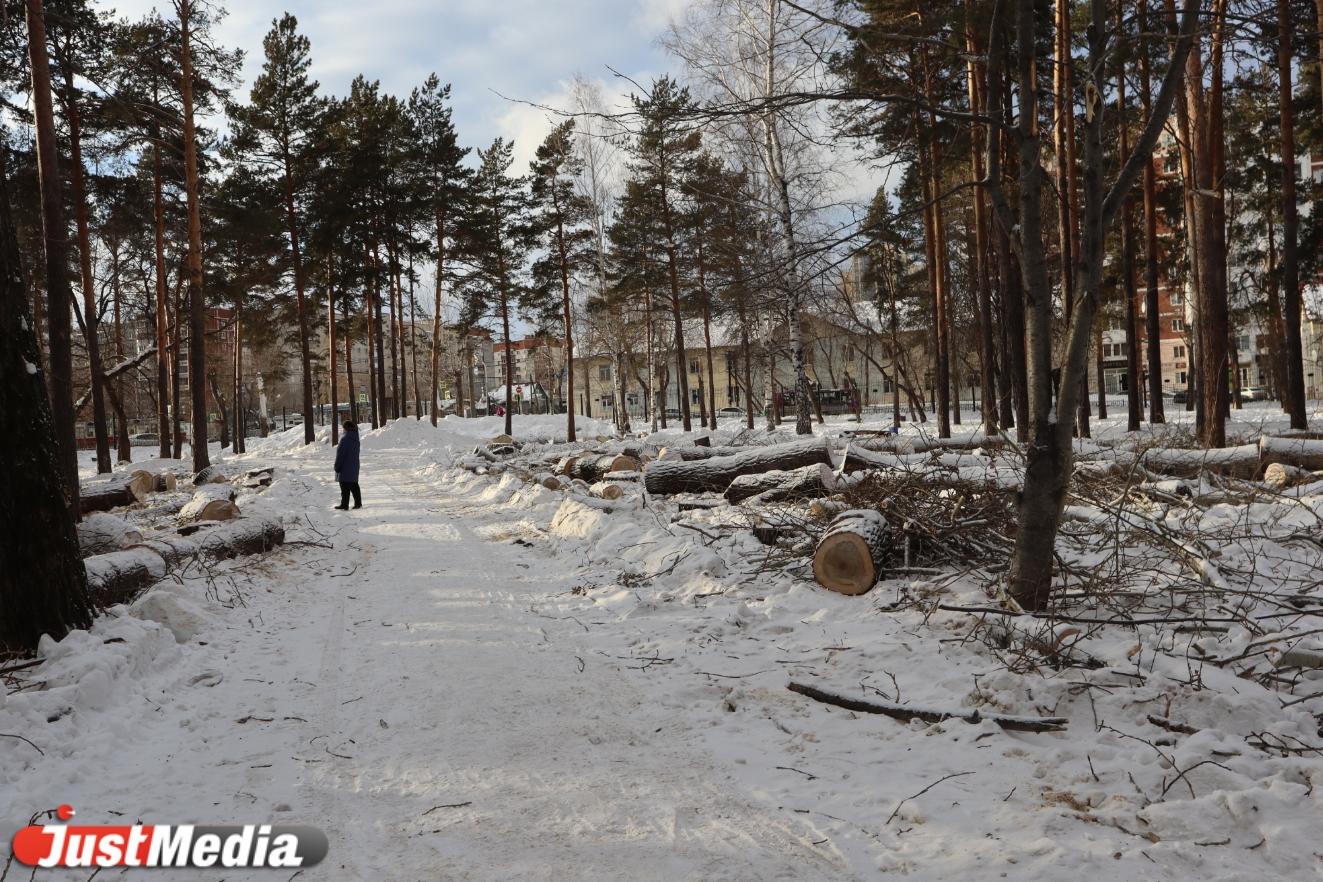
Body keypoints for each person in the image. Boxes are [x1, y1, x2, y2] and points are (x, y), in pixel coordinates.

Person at [334, 420, 361, 510]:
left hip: (345, 467)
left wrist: (337, 466)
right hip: (354, 466)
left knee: (344, 487)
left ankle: (344, 504)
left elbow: (341, 454)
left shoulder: (345, 439)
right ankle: (358, 503)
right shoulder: (356, 438)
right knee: (354, 485)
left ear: (346, 428)